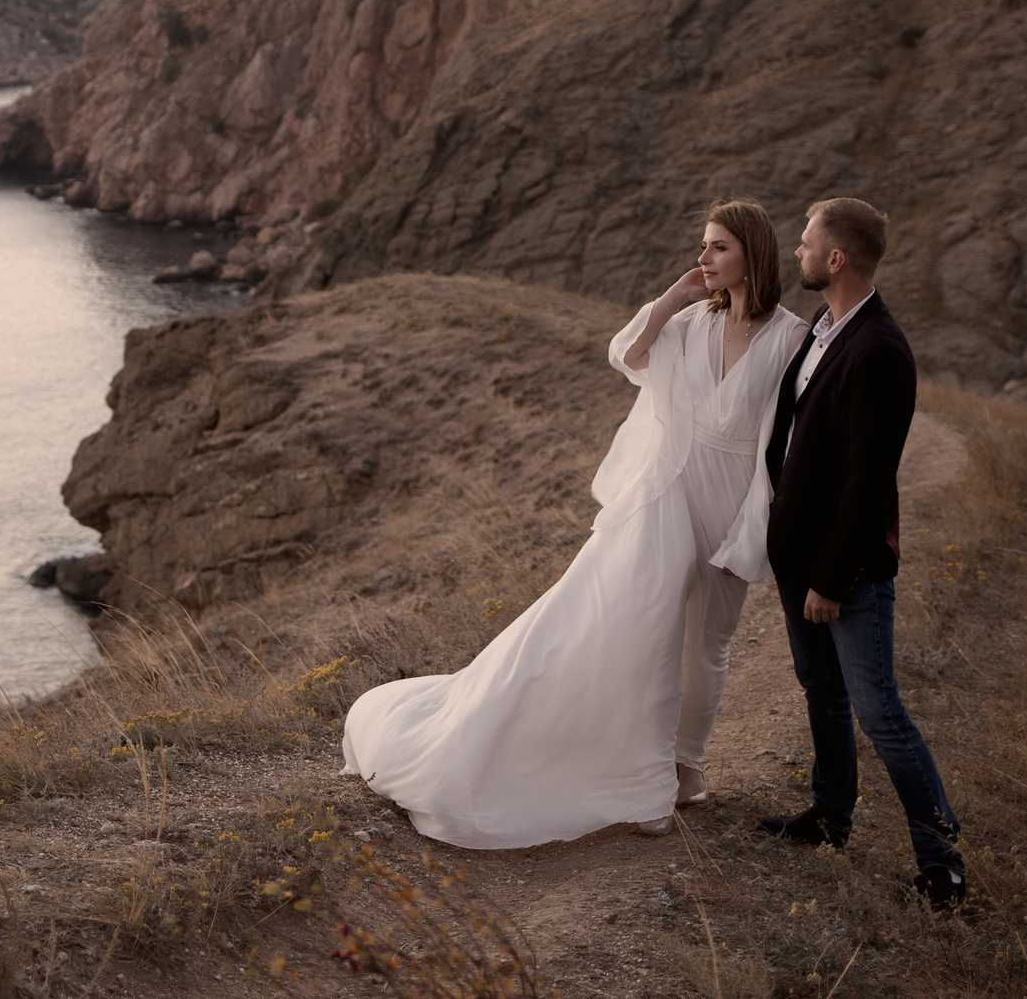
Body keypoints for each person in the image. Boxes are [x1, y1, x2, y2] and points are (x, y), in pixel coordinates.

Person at [339, 199, 807, 848]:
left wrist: (755, 528)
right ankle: (647, 779)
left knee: (709, 643)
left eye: (717, 247)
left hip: (732, 504)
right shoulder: (692, 318)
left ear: (751, 252)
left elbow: (784, 445)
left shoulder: (790, 337)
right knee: (646, 631)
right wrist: (675, 295)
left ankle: (687, 765)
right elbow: (627, 352)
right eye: (703, 245)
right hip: (667, 497)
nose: (703, 257)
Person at [758, 196, 965, 908]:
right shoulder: (823, 327)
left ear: (837, 257)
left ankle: (943, 867)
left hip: (844, 569)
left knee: (881, 713)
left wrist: (833, 577)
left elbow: (867, 482)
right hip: (798, 554)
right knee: (822, 688)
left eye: (807, 242)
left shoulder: (879, 348)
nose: (798, 251)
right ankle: (830, 814)